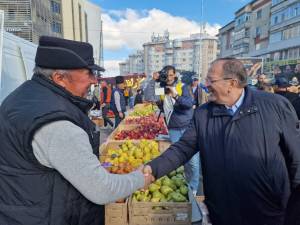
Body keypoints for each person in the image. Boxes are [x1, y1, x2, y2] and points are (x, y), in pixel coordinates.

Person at [0, 36, 153, 225]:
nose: (94, 80)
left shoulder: (22, 97)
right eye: (88, 73)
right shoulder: (57, 124)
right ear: (59, 78)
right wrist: (141, 179)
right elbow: (101, 190)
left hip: (23, 210)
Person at [143, 58, 300, 225]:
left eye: (211, 80)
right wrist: (153, 169)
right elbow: (183, 148)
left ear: (231, 83)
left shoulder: (274, 106)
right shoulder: (203, 115)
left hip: (270, 213)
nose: (206, 84)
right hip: (224, 213)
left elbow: (296, 160)